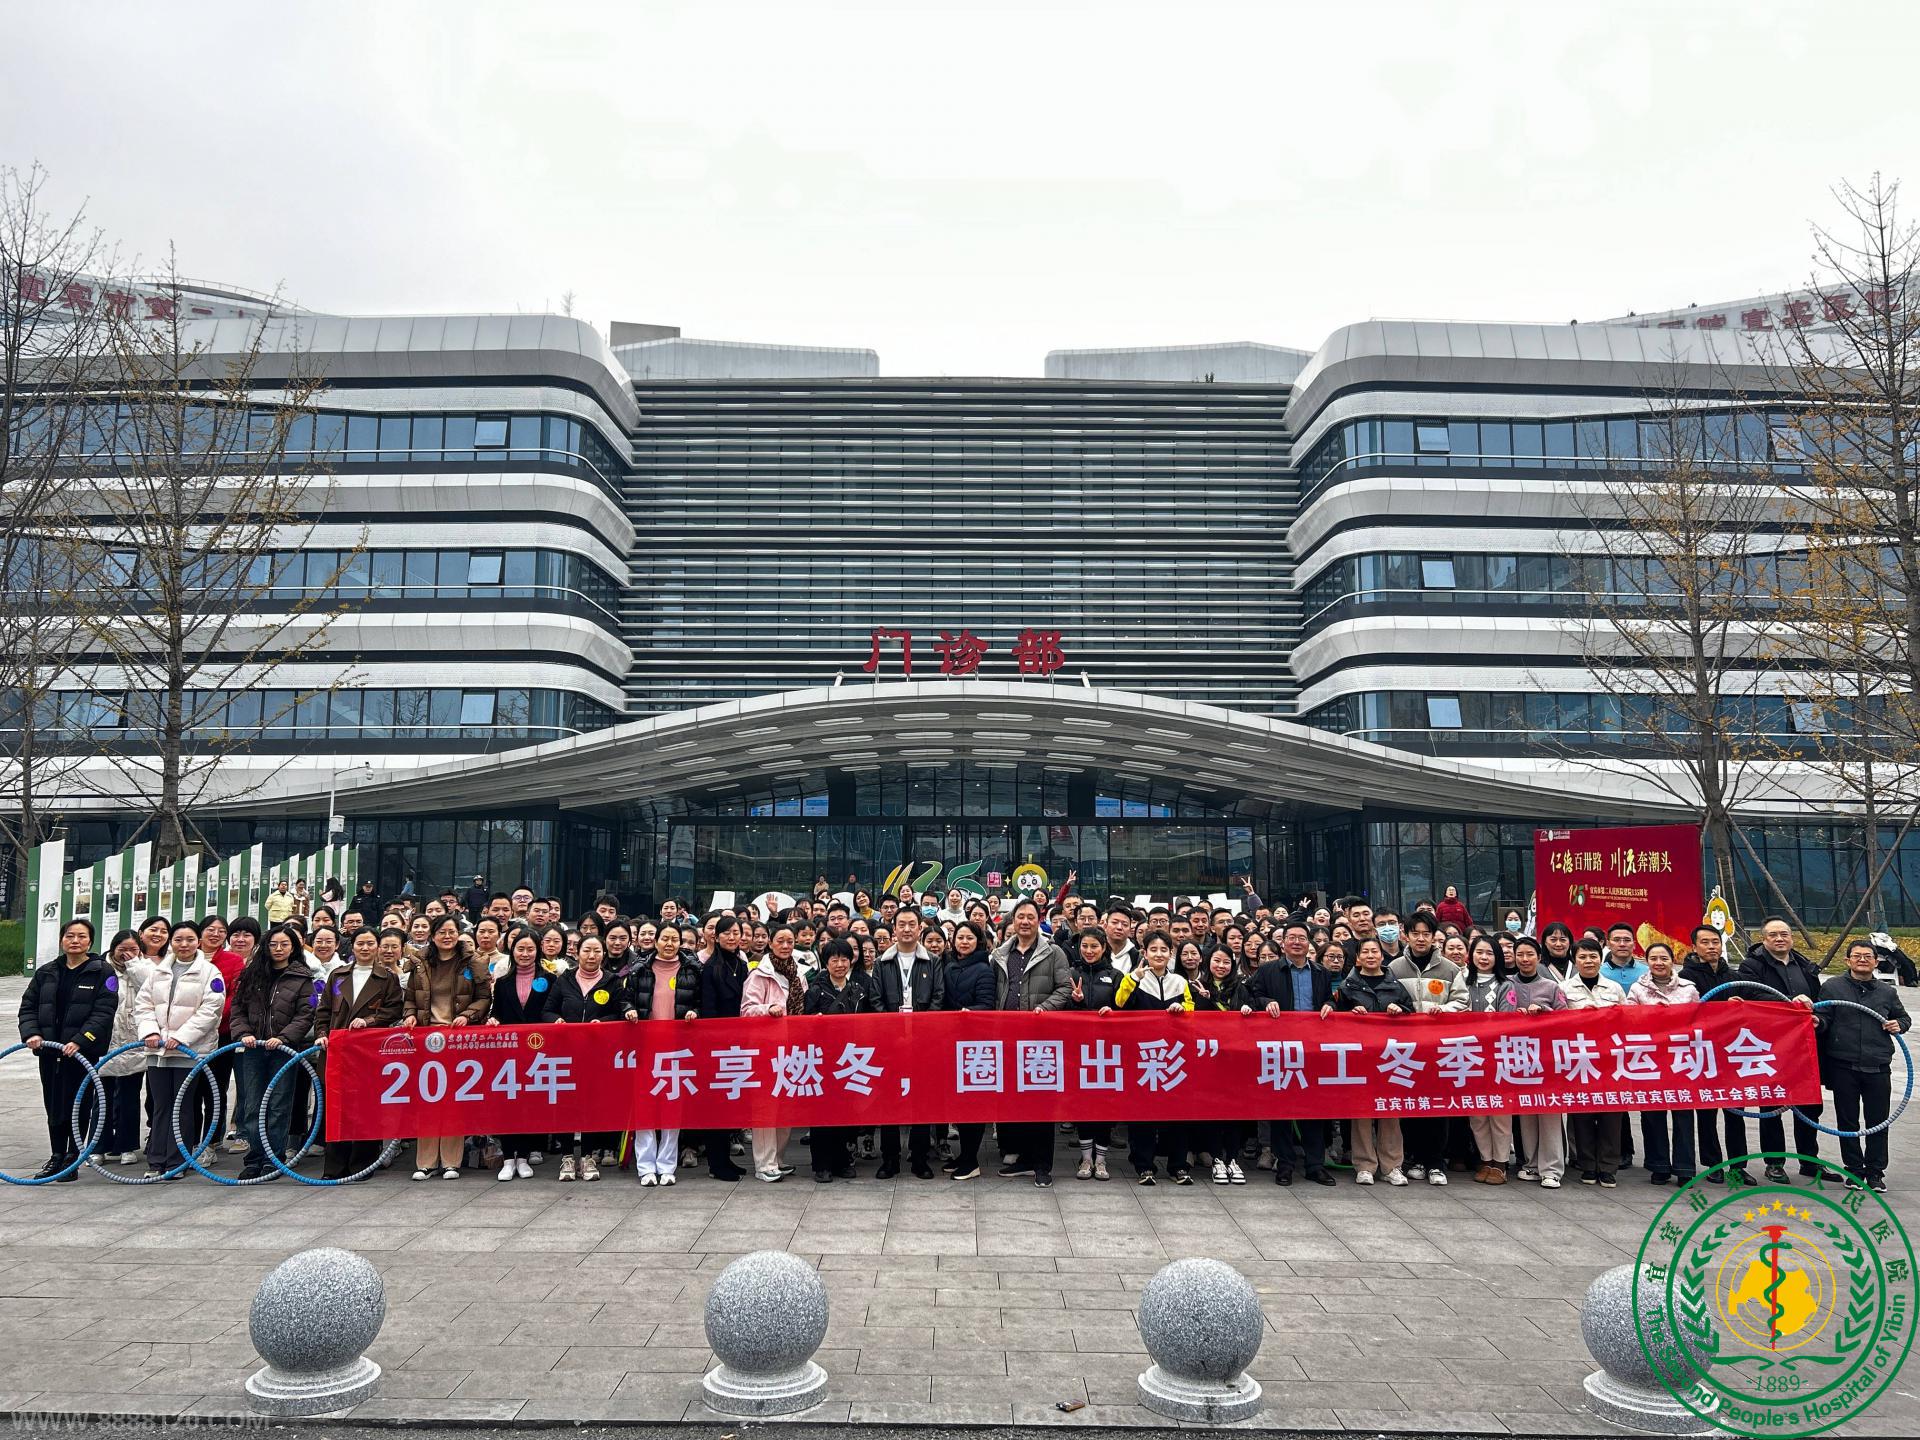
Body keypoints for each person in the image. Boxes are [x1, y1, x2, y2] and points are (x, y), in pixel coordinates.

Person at [17, 918, 117, 1180]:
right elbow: (28, 1007)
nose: (75, 941)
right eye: (70, 936)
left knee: (78, 1106)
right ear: (62, 939)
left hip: (81, 1053)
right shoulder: (46, 972)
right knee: (54, 1106)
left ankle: (73, 1157)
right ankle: (56, 1155)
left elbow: (104, 1012)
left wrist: (81, 1040)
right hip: (50, 1052)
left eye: (82, 936)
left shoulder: (103, 972)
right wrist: (32, 1033)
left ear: (90, 941)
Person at [1242, 921, 1337, 1186]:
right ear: (1283, 943)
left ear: (1309, 943)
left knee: (1313, 1109)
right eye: (1291, 937)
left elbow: (1328, 999)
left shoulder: (1320, 972)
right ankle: (1284, 1164)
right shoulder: (1268, 970)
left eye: (1301, 938)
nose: (1296, 942)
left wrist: (1330, 1004)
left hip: (1312, 1048)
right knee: (1281, 1109)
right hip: (1280, 1047)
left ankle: (1315, 1165)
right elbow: (1251, 996)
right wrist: (1266, 1002)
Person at [400, 913, 490, 1180]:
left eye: (452, 931)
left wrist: (468, 1016)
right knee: (428, 1100)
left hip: (458, 1039)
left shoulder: (474, 962)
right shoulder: (420, 962)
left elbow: (484, 998)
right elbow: (410, 998)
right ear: (433, 935)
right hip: (428, 1039)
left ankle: (451, 1161)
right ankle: (426, 1162)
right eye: (442, 932)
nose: (447, 936)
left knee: (453, 1101)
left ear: (458, 933)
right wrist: (410, 1015)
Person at [990, 898, 1073, 1187]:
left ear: (1039, 920)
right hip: (1008, 1038)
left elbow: (1064, 988)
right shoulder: (1001, 953)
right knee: (1015, 1100)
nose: (1025, 922)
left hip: (1040, 1038)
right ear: (1012, 921)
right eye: (1020, 917)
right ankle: (1024, 1159)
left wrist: (1044, 1008)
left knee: (1040, 1101)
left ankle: (1042, 1165)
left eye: (1030, 917)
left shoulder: (1053, 952)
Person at [134, 921, 227, 1178]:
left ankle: (177, 1162)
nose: (183, 945)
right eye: (178, 940)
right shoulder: (158, 971)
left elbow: (211, 1011)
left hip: (189, 1051)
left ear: (198, 942)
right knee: (160, 1106)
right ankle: (156, 1161)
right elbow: (143, 1004)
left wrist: (181, 1037)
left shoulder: (210, 973)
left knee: (183, 1106)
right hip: (157, 1051)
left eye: (189, 939)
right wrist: (150, 1032)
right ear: (171, 942)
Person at [1819, 940, 1911, 1191]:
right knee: (1847, 1121)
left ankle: (1875, 1171)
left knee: (1878, 1121)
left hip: (1877, 1064)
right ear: (1847, 960)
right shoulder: (1832, 987)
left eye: (1868, 956)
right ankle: (1854, 1169)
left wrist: (1899, 1025)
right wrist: (1818, 1022)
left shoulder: (1886, 991)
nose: (1862, 960)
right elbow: (1824, 1017)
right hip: (1843, 1064)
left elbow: (1903, 1017)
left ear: (1876, 961)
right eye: (1857, 956)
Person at [1739, 917, 1826, 1183]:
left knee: (1810, 1106)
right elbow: (1752, 996)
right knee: (1772, 1105)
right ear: (1763, 939)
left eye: (1784, 934)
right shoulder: (1751, 966)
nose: (1779, 939)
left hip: (1804, 1048)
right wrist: (1790, 1003)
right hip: (1770, 1046)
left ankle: (1809, 1161)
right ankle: (1774, 1163)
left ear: (1791, 937)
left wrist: (1819, 1020)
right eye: (1773, 935)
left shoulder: (1805, 965)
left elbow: (1820, 1001)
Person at [314, 927, 405, 1180]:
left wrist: (370, 1020)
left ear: (377, 947)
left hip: (368, 1054)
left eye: (370, 944)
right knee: (336, 1109)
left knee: (366, 1109)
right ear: (352, 946)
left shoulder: (387, 978)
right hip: (337, 1053)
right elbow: (323, 1010)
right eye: (360, 944)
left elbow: (394, 1010)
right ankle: (334, 1167)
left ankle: (362, 1164)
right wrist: (321, 1033)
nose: (365, 948)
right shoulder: (338, 975)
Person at [229, 923, 316, 1181]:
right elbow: (237, 1009)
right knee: (252, 1105)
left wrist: (283, 1038)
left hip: (284, 1051)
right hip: (253, 1049)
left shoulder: (303, 978)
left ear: (294, 947)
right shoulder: (251, 975)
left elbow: (306, 1014)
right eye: (273, 944)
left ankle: (274, 1158)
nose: (278, 949)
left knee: (278, 1105)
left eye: (284, 944)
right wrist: (244, 1034)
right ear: (265, 947)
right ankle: (254, 1158)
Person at [1108, 930, 1194, 1186]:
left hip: (1174, 1056)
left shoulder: (1179, 981)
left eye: (1163, 950)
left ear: (1171, 953)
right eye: (1153, 950)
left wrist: (1182, 1009)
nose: (1159, 954)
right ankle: (1144, 1165)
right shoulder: (1134, 978)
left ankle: (1178, 1165)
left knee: (1177, 1113)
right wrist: (1134, 978)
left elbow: (1192, 1010)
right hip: (1142, 1055)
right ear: (1144, 952)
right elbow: (1119, 1003)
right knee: (1142, 1113)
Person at [1323, 936, 1407, 1185]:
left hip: (1390, 1057)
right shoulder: (1348, 986)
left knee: (1390, 1110)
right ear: (1358, 958)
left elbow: (1411, 1013)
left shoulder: (1396, 985)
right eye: (1365, 952)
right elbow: (1335, 1016)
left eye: (1375, 951)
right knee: (1361, 1113)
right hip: (1359, 1057)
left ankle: (1392, 1166)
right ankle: (1364, 1165)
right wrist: (1349, 1013)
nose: (1371, 956)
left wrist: (1400, 1010)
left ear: (1382, 956)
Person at [867, 907, 942, 1179]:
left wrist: (920, 1031)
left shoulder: (932, 961)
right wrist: (894, 1031)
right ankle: (890, 1159)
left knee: (921, 1100)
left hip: (923, 1042)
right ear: (894, 928)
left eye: (912, 924)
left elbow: (938, 997)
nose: (907, 929)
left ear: (920, 928)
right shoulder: (882, 962)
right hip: (891, 1043)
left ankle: (919, 1158)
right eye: (902, 924)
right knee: (889, 1101)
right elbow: (875, 1000)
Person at [626, 922, 698, 1186]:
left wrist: (695, 1012)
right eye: (664, 939)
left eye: (674, 939)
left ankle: (667, 1166)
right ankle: (646, 1167)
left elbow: (699, 1001)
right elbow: (626, 998)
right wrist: (628, 1010)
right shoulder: (639, 969)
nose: (669, 944)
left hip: (677, 1049)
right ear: (655, 941)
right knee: (644, 1106)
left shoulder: (692, 970)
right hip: (646, 1047)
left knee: (672, 1107)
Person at [1680, 923, 1750, 1183]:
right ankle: (1713, 1164)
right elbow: (1688, 1012)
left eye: (1715, 942)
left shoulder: (1734, 975)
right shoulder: (1686, 977)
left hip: (1732, 1053)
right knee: (1707, 1113)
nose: (1711, 947)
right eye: (1705, 942)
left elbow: (1755, 998)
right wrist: (1723, 1007)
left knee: (1736, 1113)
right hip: (1703, 1054)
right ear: (1694, 946)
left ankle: (1738, 1166)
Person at [553, 936, 627, 1181]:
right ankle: (566, 1157)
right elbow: (548, 1009)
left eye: (597, 951)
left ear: (604, 954)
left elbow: (619, 1012)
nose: (591, 955)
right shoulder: (564, 980)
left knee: (592, 1104)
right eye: (587, 950)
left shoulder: (612, 981)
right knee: (566, 1104)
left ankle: (587, 1157)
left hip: (598, 1054)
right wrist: (556, 1020)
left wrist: (603, 1022)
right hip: (566, 1053)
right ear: (577, 953)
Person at [488, 929, 559, 1180]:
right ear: (512, 950)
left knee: (531, 1104)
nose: (525, 954)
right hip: (509, 1052)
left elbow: (551, 1011)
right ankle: (509, 1158)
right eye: (520, 949)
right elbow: (497, 1012)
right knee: (508, 1104)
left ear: (538, 951)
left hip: (538, 1052)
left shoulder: (550, 980)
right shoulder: (503, 982)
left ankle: (524, 1156)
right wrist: (494, 1021)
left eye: (530, 949)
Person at [1628, 942, 1700, 1185]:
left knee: (1684, 1116)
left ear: (1672, 961)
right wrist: (1650, 1014)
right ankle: (1658, 1165)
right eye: (1653, 958)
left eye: (1664, 958)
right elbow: (1627, 1020)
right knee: (1652, 1115)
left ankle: (1685, 1167)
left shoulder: (1689, 989)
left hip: (1682, 1059)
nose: (1659, 963)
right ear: (1647, 962)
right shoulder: (1637, 989)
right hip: (1650, 1060)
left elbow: (1700, 1021)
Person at [1500, 936, 1567, 1188]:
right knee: (1526, 1112)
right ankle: (1531, 1164)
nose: (1524, 959)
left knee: (1549, 1113)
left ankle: (1552, 1169)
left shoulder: (1551, 987)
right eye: (1520, 954)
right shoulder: (1507, 984)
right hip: (1518, 1057)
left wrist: (1546, 1013)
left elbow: (1566, 1020)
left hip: (1547, 1058)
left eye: (1530, 954)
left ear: (1539, 957)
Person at [1562, 940, 1628, 1186]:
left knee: (1612, 1116)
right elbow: (1557, 1023)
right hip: (1580, 1060)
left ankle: (1608, 1167)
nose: (1588, 961)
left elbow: (1628, 1020)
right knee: (1582, 1115)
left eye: (1593, 956)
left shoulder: (1614, 988)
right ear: (1575, 960)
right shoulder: (1564, 988)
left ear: (1601, 959)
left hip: (1611, 1060)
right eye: (1582, 957)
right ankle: (1587, 1165)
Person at [1445, 935, 1510, 1183]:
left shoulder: (1505, 985)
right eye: (1479, 952)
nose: (1484, 958)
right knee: (1477, 1113)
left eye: (1489, 953)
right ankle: (1485, 1159)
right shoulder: (1462, 981)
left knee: (1499, 1113)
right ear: (1470, 955)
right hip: (1468, 1057)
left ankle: (1501, 1163)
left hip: (1496, 1057)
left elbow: (1507, 1020)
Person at [742, 932, 805, 1182]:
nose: (785, 946)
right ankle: (764, 1163)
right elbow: (746, 1010)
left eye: (790, 942)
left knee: (785, 1107)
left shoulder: (798, 973)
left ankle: (778, 1159)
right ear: (770, 943)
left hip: (793, 1049)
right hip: (766, 1049)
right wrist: (768, 1009)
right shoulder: (759, 975)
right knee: (765, 1107)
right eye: (780, 941)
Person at [940, 920, 998, 1181]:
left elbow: (987, 1004)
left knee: (974, 1103)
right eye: (960, 938)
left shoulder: (984, 969)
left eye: (970, 938)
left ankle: (971, 1160)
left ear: (979, 942)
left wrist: (968, 1013)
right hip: (952, 1042)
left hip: (976, 1045)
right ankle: (963, 1155)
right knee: (958, 1104)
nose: (964, 942)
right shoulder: (949, 966)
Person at [697, 912, 751, 1182]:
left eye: (736, 933)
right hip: (718, 1044)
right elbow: (708, 1010)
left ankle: (726, 1159)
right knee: (716, 1106)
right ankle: (716, 1163)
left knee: (731, 1105)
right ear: (716, 937)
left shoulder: (741, 965)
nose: (732, 937)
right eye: (726, 933)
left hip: (740, 1042)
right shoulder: (711, 968)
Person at [1190, 947, 1247, 1185]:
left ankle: (1232, 1158)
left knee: (1235, 1112)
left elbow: (1251, 1012)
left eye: (1226, 962)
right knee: (1212, 1111)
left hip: (1236, 1060)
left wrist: (1248, 1009)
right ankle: (1216, 1159)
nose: (1221, 966)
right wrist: (1205, 999)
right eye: (1217, 961)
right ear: (1208, 962)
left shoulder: (1241, 987)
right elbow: (1194, 1021)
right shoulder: (1198, 986)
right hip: (1209, 1060)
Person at [99, 928, 153, 1165]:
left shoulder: (146, 967)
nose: (127, 954)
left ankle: (127, 1146)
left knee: (130, 1097)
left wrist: (134, 966)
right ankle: (99, 1146)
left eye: (133, 949)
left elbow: (152, 989)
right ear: (113, 948)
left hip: (133, 1043)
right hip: (106, 1042)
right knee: (102, 1097)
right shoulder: (101, 969)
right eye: (122, 949)